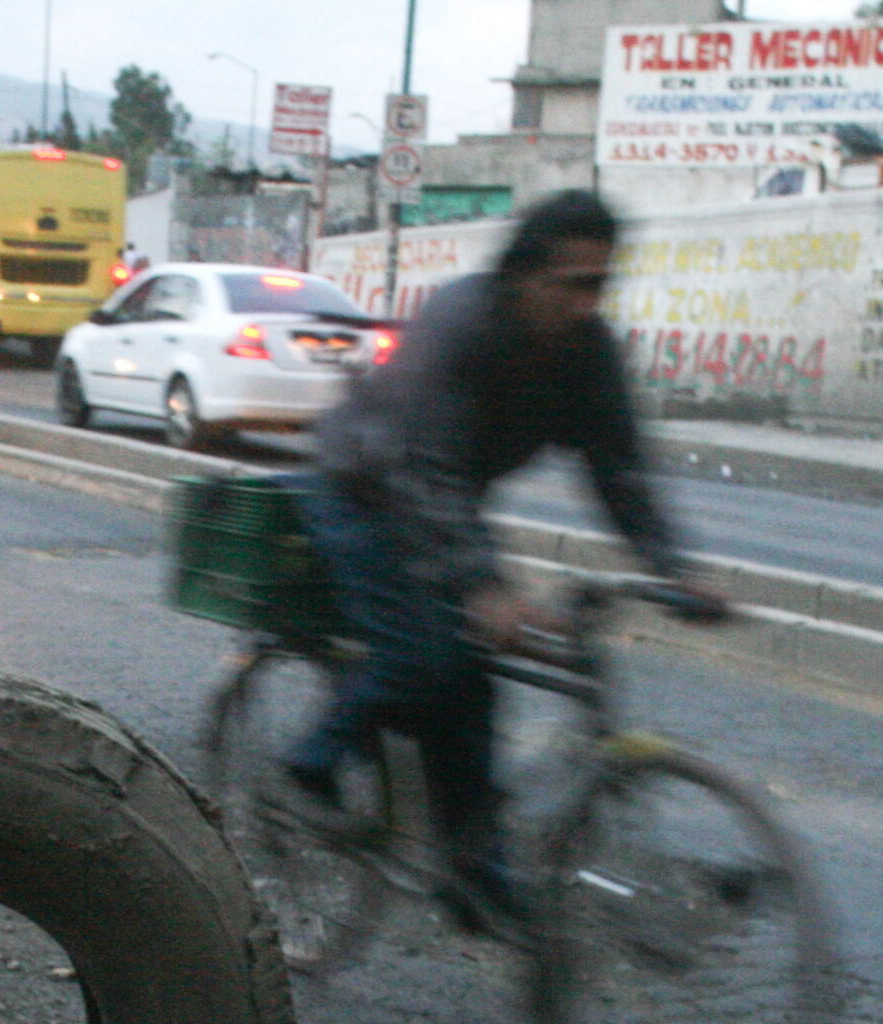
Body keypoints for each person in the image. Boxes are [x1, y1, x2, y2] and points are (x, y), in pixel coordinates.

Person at [282, 189, 723, 937]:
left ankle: (471, 871)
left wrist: (673, 567)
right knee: (422, 660)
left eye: (601, 285)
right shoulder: (461, 323)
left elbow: (621, 471)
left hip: (437, 502)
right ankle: (314, 757)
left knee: (475, 685)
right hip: (362, 486)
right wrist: (483, 585)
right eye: (574, 283)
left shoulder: (587, 352)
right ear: (524, 275)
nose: (589, 303)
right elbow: (420, 466)